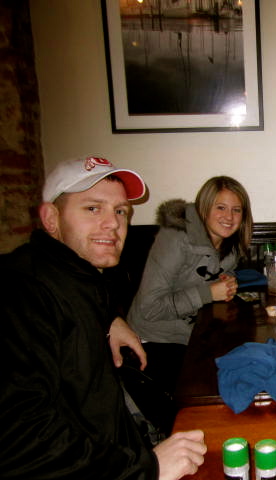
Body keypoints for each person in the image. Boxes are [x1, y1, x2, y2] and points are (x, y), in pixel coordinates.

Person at [0, 156, 206, 479]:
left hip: (115, 450)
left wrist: (110, 318)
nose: (113, 224)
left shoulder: (78, 275)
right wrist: (147, 468)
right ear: (51, 218)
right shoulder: (19, 293)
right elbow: (18, 442)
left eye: (120, 211)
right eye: (93, 208)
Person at [127, 176, 253, 395]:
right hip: (153, 340)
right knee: (208, 391)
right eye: (220, 207)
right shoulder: (176, 237)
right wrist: (208, 293)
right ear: (203, 208)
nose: (229, 217)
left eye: (237, 210)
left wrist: (227, 280)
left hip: (195, 334)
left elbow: (223, 269)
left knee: (248, 365)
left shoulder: (230, 243)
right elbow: (150, 307)